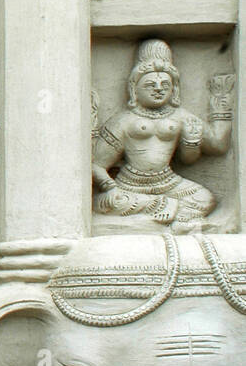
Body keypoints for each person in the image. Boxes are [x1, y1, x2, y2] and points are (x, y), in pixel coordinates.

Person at [92, 39, 233, 230]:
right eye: (150, 84)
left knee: (206, 199)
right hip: (130, 185)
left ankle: (161, 214)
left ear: (174, 89)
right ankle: (170, 211)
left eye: (165, 85)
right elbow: (97, 165)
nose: (158, 89)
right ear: (134, 89)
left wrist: (219, 106)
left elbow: (216, 146)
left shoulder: (181, 117)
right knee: (109, 202)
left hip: (168, 182)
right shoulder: (123, 120)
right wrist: (111, 188)